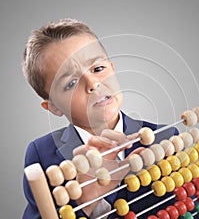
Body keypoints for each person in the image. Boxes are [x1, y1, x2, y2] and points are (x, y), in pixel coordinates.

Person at [22, 18, 178, 218]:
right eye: (70, 83)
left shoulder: (164, 139)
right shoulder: (42, 156)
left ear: (112, 69)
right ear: (52, 106)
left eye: (98, 69)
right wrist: (84, 203)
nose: (93, 83)